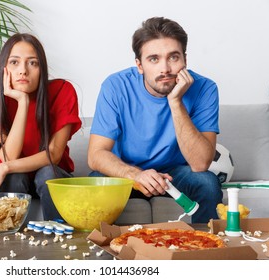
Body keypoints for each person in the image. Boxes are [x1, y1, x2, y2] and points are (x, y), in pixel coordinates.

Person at [88, 17, 222, 223]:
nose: (165, 69)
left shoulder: (205, 88)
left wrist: (176, 102)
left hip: (175, 175)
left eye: (173, 57)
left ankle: (203, 249)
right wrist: (135, 176)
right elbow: (96, 155)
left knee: (207, 182)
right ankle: (105, 251)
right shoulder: (115, 86)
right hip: (126, 173)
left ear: (185, 60)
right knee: (96, 182)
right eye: (154, 59)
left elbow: (200, 163)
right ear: (139, 65)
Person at [0, 33, 82, 220]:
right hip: (13, 179)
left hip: (53, 177)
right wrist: (22, 102)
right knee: (15, 177)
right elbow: (9, 156)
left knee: (47, 173)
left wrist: (3, 168)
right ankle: (13, 243)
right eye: (14, 62)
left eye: (32, 63)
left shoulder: (62, 91)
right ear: (3, 68)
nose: (23, 70)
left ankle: (58, 239)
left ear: (42, 69)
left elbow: (54, 155)